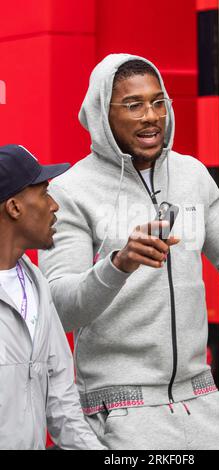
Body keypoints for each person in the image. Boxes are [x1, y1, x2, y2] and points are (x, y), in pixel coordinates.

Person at [39, 54, 219, 450]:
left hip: (201, 402)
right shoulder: (70, 192)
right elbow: (61, 307)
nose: (151, 116)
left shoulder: (192, 174)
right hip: (121, 411)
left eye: (159, 102)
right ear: (103, 112)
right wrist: (118, 265)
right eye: (133, 105)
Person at [0, 144, 105, 450]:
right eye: (44, 192)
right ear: (15, 207)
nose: (54, 205)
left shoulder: (36, 283)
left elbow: (62, 403)